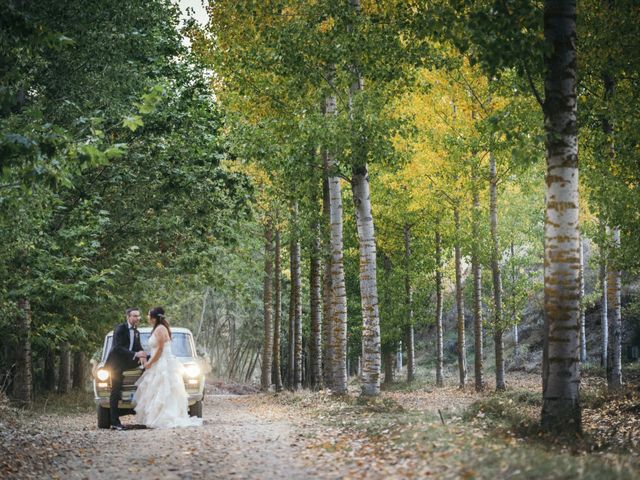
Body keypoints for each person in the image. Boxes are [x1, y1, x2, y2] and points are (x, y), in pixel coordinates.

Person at [134, 307, 203, 429]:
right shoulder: (158, 328)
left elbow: (160, 349)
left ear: (154, 317)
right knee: (158, 391)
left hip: (162, 362)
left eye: (149, 315)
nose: (147, 317)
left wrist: (150, 363)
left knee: (163, 390)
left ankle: (165, 417)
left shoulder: (160, 329)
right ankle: (157, 417)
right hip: (160, 361)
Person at [104, 307, 147, 430]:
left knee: (150, 360)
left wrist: (142, 355)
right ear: (128, 317)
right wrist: (135, 355)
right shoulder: (120, 329)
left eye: (138, 316)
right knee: (115, 392)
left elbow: (138, 347)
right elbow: (117, 348)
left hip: (128, 362)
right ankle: (115, 423)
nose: (137, 318)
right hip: (116, 364)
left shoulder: (137, 332)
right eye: (134, 316)